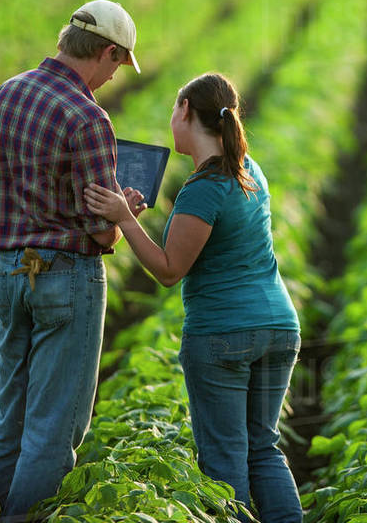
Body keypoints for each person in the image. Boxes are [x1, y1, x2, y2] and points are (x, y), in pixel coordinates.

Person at [83, 72, 302, 523]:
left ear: (185, 111)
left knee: (224, 460)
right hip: (280, 326)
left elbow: (168, 270)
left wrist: (125, 219)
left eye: (173, 108)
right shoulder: (249, 171)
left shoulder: (203, 189)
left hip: (224, 334)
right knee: (263, 448)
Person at [0, 0, 147, 520]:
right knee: (55, 428)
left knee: (11, 414)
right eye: (119, 64)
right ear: (109, 51)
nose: (117, 76)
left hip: (11, 270)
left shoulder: (4, 95)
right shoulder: (88, 118)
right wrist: (125, 213)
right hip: (66, 278)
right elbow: (101, 233)